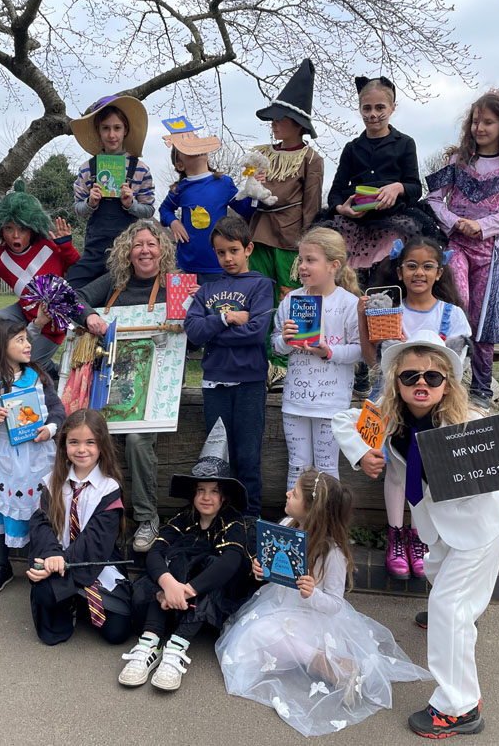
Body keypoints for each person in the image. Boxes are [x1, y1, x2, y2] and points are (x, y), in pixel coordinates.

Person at [332, 330, 499, 738]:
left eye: (432, 377)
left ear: (448, 383)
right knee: (436, 575)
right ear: (396, 381)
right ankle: (459, 619)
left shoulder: (469, 422)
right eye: (410, 376)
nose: (421, 384)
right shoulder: (387, 416)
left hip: (478, 525)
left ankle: (459, 706)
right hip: (435, 524)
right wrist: (362, 453)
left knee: (450, 609)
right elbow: (344, 420)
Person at [216, 470, 431, 737]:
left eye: (294, 493)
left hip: (313, 617)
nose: (287, 494)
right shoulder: (287, 524)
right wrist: (261, 569)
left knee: (267, 636)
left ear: (312, 509)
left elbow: (335, 604)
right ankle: (309, 656)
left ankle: (326, 663)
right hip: (280, 606)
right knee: (248, 640)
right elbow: (274, 566)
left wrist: (312, 594)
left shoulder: (333, 554)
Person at [359, 236, 471, 579]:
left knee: (426, 471)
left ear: (439, 272)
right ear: (399, 270)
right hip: (392, 401)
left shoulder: (452, 315)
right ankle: (396, 535)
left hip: (435, 404)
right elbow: (371, 359)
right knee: (395, 469)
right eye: (411, 266)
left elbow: (458, 369)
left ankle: (422, 537)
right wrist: (365, 321)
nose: (418, 273)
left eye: (427, 266)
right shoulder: (387, 309)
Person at [426, 89, 499, 410]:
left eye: (488, 122)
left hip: (489, 254)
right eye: (476, 121)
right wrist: (455, 221)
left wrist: (484, 225)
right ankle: (447, 380)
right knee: (457, 304)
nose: (480, 128)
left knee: (482, 319)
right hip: (456, 247)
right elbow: (434, 199)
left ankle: (481, 389)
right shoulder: (457, 161)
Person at [120, 419, 251, 691]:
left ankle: (176, 647)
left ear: (224, 497)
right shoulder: (184, 519)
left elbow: (230, 564)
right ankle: (149, 643)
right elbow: (156, 551)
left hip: (212, 595)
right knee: (173, 560)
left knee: (209, 563)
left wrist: (187, 590)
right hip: (174, 594)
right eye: (201, 490)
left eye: (214, 491)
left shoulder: (233, 523)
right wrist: (169, 584)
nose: (206, 497)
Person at [77, 219, 175, 551]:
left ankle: (147, 517)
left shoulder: (174, 285)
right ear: (127, 252)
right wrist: (89, 316)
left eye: (151, 243)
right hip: (109, 381)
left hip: (153, 386)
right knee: (91, 438)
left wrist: (184, 317)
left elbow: (193, 332)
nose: (145, 250)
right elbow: (73, 296)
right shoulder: (114, 283)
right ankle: (93, 518)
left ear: (162, 249)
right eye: (138, 245)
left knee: (135, 440)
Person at [0, 317, 66, 594]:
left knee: (39, 506)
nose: (28, 344)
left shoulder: (38, 376)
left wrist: (50, 428)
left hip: (37, 456)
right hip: (4, 459)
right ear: (1, 345)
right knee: (1, 507)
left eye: (27, 338)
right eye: (20, 340)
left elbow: (58, 409)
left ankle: (40, 559)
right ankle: (2, 564)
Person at [184, 215, 274, 517]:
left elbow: (257, 333)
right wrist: (225, 318)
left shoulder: (261, 285)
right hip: (215, 385)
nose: (227, 258)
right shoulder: (207, 290)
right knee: (217, 459)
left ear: (248, 249)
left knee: (248, 457)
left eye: (233, 250)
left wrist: (213, 333)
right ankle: (222, 520)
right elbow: (193, 332)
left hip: (249, 383)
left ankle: (249, 520)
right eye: (221, 252)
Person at [247, 59, 325, 391]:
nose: (274, 124)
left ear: (296, 123)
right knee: (258, 299)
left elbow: (311, 208)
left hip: (292, 242)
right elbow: (244, 197)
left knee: (292, 301)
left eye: (280, 118)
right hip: (258, 235)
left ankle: (285, 365)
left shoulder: (312, 159)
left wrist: (306, 251)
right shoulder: (258, 154)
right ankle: (259, 359)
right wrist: (253, 184)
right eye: (273, 118)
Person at [26, 409, 132, 645]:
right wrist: (52, 555)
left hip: (94, 561)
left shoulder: (109, 488)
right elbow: (41, 524)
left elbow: (96, 541)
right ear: (64, 445)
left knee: (117, 633)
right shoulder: (52, 481)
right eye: (74, 442)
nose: (81, 449)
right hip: (57, 558)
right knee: (46, 603)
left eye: (90, 442)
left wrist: (63, 563)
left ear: (102, 445)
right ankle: (71, 600)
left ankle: (79, 597)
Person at [0, 181, 76, 378]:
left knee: (31, 365)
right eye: (9, 228)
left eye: (22, 228)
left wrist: (67, 247)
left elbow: (77, 269)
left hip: (54, 323)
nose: (16, 235)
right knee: (0, 319)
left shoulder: (50, 246)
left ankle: (59, 370)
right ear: (0, 230)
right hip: (26, 314)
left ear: (33, 228)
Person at [271, 228, 361, 489]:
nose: (303, 266)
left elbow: (359, 351)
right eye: (301, 259)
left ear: (334, 265)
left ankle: (327, 526)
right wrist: (286, 341)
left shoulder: (348, 303)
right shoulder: (292, 299)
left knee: (326, 467)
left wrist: (328, 352)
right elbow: (275, 347)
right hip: (295, 402)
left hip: (331, 405)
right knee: (297, 465)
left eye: (311, 260)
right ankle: (296, 524)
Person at [324, 76, 424, 284]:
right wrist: (341, 209)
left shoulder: (405, 143)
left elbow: (415, 187)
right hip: (353, 223)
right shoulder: (352, 148)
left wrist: (398, 187)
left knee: (384, 278)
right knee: (345, 278)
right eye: (366, 108)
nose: (373, 115)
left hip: (393, 220)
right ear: (360, 109)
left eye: (380, 108)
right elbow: (336, 191)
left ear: (392, 108)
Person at [68, 96, 155, 289]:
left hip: (127, 252)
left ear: (125, 131)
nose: (111, 134)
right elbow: (78, 209)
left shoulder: (140, 168)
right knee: (72, 286)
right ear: (99, 131)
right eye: (106, 128)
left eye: (117, 128)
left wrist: (131, 205)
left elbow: (149, 210)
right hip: (94, 253)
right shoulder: (87, 168)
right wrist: (90, 202)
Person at [158, 117, 258, 283]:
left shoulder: (224, 183)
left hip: (219, 265)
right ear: (180, 165)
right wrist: (173, 222)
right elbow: (164, 210)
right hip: (187, 265)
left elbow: (245, 209)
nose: (194, 147)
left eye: (196, 142)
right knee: (190, 308)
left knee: (218, 307)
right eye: (186, 146)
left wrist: (255, 190)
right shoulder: (179, 188)